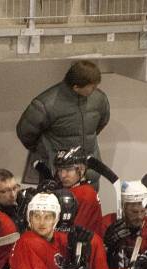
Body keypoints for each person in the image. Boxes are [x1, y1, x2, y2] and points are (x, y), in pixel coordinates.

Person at [17, 60, 110, 190]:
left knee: (89, 209)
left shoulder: (99, 99)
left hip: (90, 176)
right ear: (76, 87)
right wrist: (45, 151)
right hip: (58, 178)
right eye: (92, 87)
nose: (95, 89)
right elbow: (25, 133)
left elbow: (101, 123)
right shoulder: (44, 104)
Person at [101, 181, 147, 269]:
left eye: (143, 211)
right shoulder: (107, 223)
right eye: (134, 212)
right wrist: (107, 245)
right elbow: (95, 262)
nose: (139, 217)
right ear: (123, 208)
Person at [54, 146, 103, 235]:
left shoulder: (86, 194)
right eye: (60, 170)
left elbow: (74, 232)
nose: (63, 175)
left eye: (68, 170)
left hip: (83, 245)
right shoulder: (68, 189)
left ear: (82, 169)